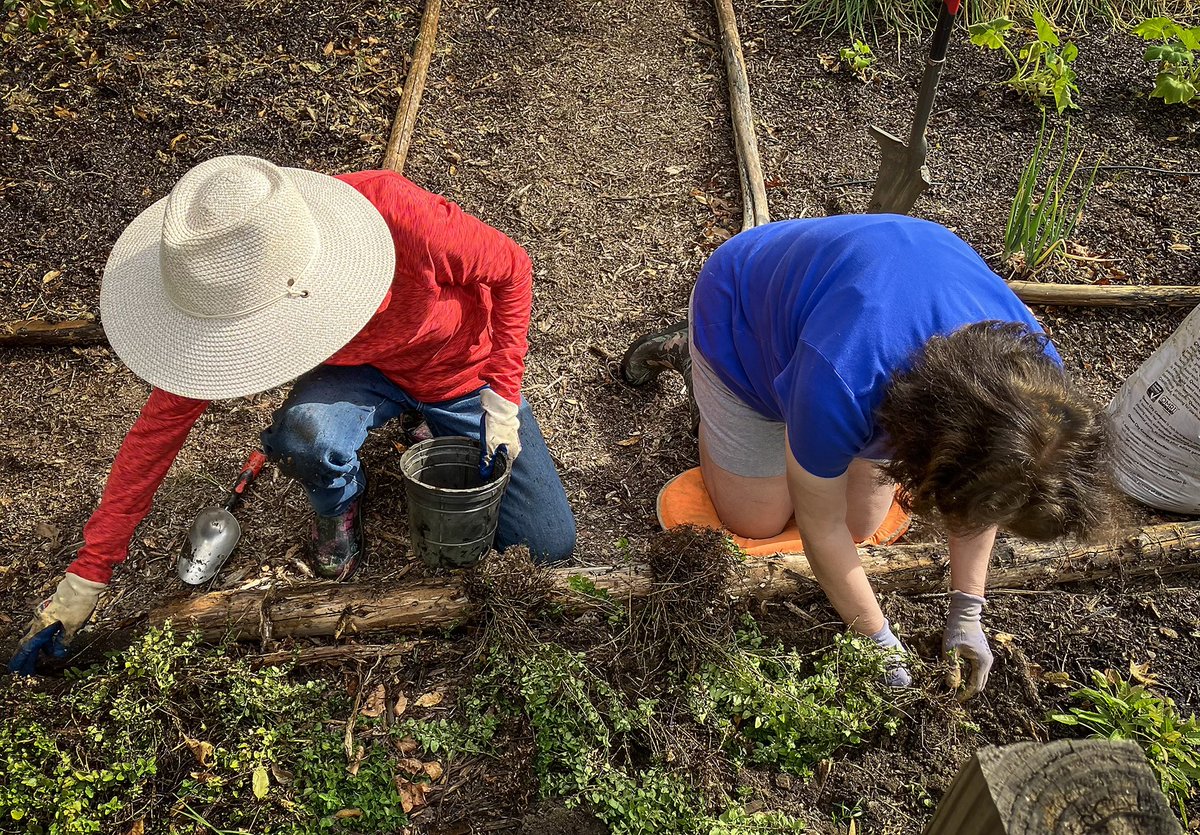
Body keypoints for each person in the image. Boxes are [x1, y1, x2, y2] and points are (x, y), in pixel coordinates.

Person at [11, 155, 576, 674]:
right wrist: (87, 577)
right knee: (303, 437)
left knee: (545, 545)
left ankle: (425, 421)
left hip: (456, 369)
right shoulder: (222, 289)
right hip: (357, 372)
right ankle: (339, 511)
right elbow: (155, 434)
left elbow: (512, 269)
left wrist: (502, 395)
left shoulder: (397, 214)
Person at [623, 214, 1109, 697]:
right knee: (756, 520)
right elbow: (820, 526)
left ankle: (814, 434)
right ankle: (690, 357)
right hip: (742, 322)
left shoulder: (1040, 396)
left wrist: (967, 607)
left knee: (862, 525)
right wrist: (874, 637)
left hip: (868, 347)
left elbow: (990, 491)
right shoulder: (844, 380)